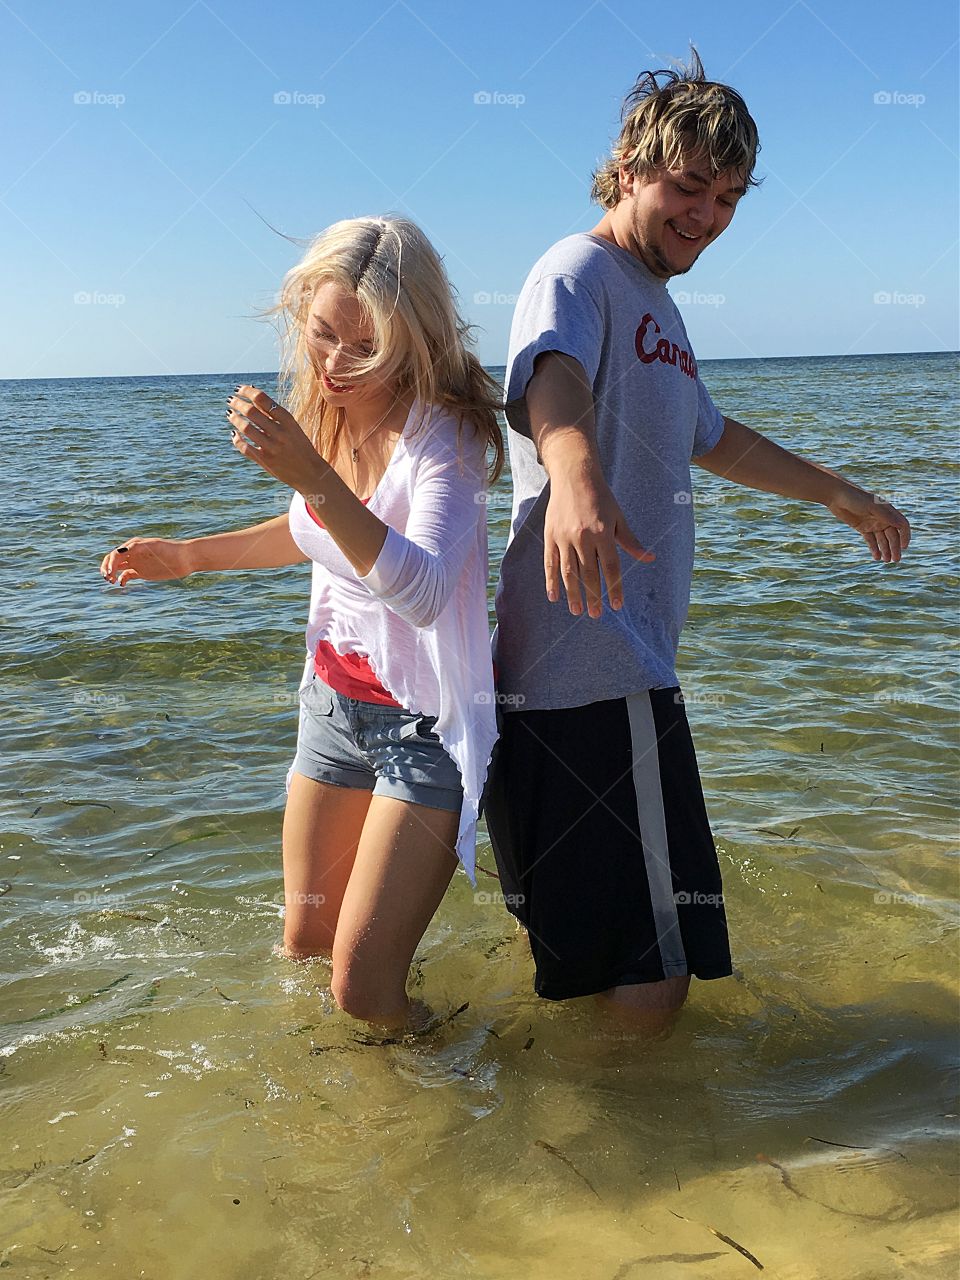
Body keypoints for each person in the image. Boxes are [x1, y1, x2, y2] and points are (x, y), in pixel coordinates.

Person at [483, 52, 911, 1034]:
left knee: (589, 958)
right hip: (595, 667)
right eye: (687, 187)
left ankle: (545, 1147)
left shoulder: (660, 308)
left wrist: (837, 493)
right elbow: (547, 375)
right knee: (656, 966)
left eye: (725, 198)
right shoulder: (578, 270)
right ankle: (637, 1169)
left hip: (593, 674)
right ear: (631, 164)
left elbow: (712, 435)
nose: (706, 215)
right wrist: (575, 475)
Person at [100, 215, 504, 1031]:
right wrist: (187, 557)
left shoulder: (446, 437)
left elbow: (421, 588)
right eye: (323, 336)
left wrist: (313, 476)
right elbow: (313, 533)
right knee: (305, 943)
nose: (336, 364)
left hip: (422, 732)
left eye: (366, 347)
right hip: (331, 712)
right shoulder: (328, 412)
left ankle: (461, 1090)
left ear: (412, 335)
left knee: (363, 991)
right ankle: (348, 1131)